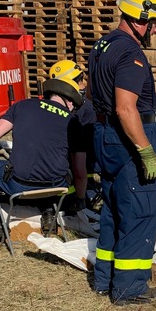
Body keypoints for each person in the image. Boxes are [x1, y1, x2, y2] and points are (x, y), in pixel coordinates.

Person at [87, 0, 156, 305]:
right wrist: (145, 150)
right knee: (139, 212)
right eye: (155, 22)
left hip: (105, 136)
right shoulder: (131, 53)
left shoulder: (101, 45)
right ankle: (129, 288)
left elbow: (93, 97)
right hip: (130, 139)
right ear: (140, 18)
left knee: (112, 210)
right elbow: (125, 107)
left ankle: (104, 278)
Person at [0, 77, 84, 244]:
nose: (73, 109)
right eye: (73, 105)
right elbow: (79, 170)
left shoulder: (22, 105)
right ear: (68, 100)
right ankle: (49, 211)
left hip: (18, 184)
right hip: (57, 186)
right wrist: (80, 198)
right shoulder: (73, 122)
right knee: (54, 167)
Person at [48, 60, 97, 212]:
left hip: (80, 161)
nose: (82, 85)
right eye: (78, 81)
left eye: (82, 79)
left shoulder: (82, 107)